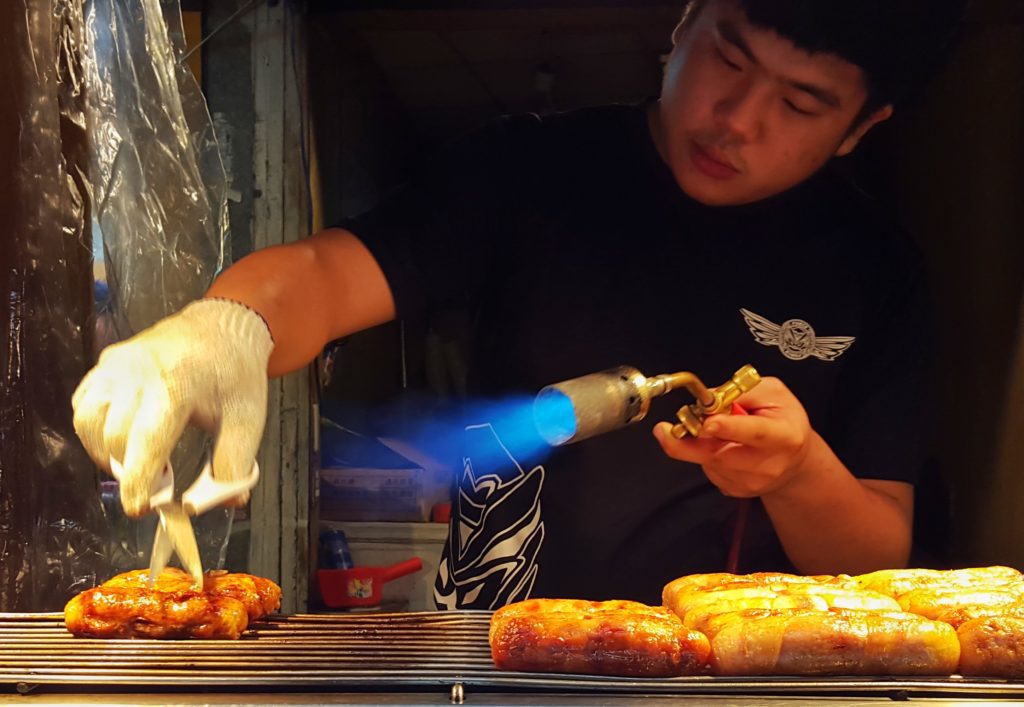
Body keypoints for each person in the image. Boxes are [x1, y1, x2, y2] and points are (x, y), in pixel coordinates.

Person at [72, 0, 966, 608]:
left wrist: (798, 470)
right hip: (505, 653)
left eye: (801, 103)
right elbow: (328, 272)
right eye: (728, 56)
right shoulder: (527, 172)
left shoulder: (878, 270)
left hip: (741, 674)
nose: (736, 117)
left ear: (863, 127)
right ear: (685, 19)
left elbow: (880, 556)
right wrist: (224, 327)